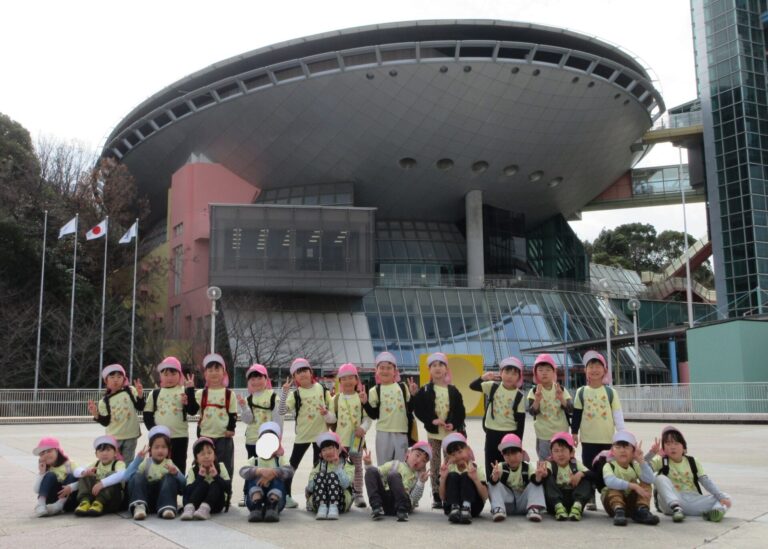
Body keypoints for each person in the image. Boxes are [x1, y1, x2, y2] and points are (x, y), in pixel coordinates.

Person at [410, 352, 466, 509]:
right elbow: (419, 410)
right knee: (434, 464)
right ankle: (436, 495)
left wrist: (453, 424)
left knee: (450, 463)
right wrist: (432, 420)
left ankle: (448, 492)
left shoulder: (453, 390)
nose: (437, 368)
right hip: (434, 434)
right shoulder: (426, 389)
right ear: (429, 370)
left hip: (450, 435)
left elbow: (461, 411)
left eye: (441, 365)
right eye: (434, 365)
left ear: (446, 369)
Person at [571, 350, 623, 510]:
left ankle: (607, 495)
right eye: (590, 366)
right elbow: (577, 415)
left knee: (604, 469)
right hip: (588, 440)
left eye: (598, 366)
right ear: (585, 371)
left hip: (607, 440)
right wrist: (574, 433)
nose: (594, 370)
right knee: (587, 469)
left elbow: (617, 416)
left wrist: (622, 436)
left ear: (605, 370)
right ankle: (590, 497)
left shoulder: (610, 392)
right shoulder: (581, 392)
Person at [278, 357, 334, 508]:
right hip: (302, 435)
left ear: (311, 372)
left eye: (305, 370)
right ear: (294, 377)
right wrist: (284, 392)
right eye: (298, 372)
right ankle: (287, 495)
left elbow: (332, 407)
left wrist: (327, 412)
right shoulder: (295, 394)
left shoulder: (322, 389)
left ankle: (316, 495)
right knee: (292, 466)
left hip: (320, 436)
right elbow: (282, 410)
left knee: (318, 467)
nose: (302, 374)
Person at [645, 425, 732, 523]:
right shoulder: (661, 460)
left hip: (692, 500)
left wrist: (721, 498)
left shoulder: (693, 461)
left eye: (676, 443)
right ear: (663, 449)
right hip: (670, 503)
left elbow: (705, 481)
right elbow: (642, 471)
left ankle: (715, 512)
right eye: (668, 444)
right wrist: (651, 453)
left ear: (684, 447)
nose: (672, 447)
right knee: (659, 478)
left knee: (725, 497)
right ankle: (676, 509)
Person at [469, 356, 526, 477]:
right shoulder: (492, 387)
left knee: (508, 464)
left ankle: (507, 491)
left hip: (510, 434)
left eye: (514, 374)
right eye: (507, 372)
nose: (510, 376)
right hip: (492, 433)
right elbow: (472, 386)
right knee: (491, 463)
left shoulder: (519, 396)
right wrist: (483, 378)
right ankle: (492, 489)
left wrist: (518, 444)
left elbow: (521, 423)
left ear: (519, 377)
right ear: (500, 373)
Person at [323, 362, 370, 507]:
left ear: (356, 380)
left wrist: (363, 428)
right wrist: (326, 414)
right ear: (340, 382)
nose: (348, 381)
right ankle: (341, 491)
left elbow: (368, 418)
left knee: (357, 468)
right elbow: (333, 418)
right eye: (344, 378)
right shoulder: (336, 399)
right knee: (339, 466)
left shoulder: (361, 397)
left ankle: (358, 494)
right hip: (340, 441)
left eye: (351, 378)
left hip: (357, 440)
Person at [143, 356, 198, 473]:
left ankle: (178, 489)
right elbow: (147, 414)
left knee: (178, 466)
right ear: (160, 376)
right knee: (157, 467)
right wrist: (155, 431)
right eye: (166, 374)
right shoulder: (155, 393)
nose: (169, 378)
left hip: (180, 436)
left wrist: (190, 392)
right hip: (159, 438)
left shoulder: (184, 390)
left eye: (173, 374)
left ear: (179, 375)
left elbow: (192, 410)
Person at [363, 352, 415, 465]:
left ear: (395, 371)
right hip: (383, 433)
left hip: (401, 432)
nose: (385, 371)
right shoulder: (374, 391)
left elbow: (410, 409)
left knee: (401, 466)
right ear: (376, 371)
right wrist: (365, 403)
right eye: (381, 368)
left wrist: (413, 394)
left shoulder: (403, 387)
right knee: (383, 466)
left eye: (389, 368)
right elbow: (374, 415)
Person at [124, 426, 186, 520]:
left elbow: (184, 486)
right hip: (146, 500)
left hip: (163, 500)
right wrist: (137, 460)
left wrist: (176, 474)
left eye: (163, 447)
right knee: (137, 475)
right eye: (156, 447)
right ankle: (139, 507)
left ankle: (167, 508)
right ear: (150, 450)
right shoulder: (146, 463)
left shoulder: (170, 464)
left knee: (169, 478)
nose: (160, 450)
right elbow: (127, 477)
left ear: (168, 449)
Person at [88, 363, 144, 464]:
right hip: (114, 437)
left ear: (124, 379)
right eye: (112, 377)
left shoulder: (131, 391)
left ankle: (125, 480)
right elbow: (105, 422)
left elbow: (140, 407)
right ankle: (115, 479)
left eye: (119, 377)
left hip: (130, 435)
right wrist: (95, 414)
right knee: (114, 462)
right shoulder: (104, 401)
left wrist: (140, 395)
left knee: (127, 462)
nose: (116, 380)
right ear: (106, 381)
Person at [600, 431, 659, 526]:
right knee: (614, 487)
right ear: (612, 452)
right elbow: (610, 481)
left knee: (645, 483)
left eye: (627, 447)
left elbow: (650, 479)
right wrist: (633, 486)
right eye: (618, 447)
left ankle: (642, 510)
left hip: (630, 503)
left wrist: (641, 461)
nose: (622, 450)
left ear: (633, 452)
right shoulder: (609, 465)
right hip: (612, 506)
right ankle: (619, 512)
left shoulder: (634, 465)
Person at [239, 422, 295, 523]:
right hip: (253, 501)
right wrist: (259, 471)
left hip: (277, 502)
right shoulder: (254, 460)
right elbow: (242, 471)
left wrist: (273, 472)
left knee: (279, 474)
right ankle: (257, 505)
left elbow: (290, 470)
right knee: (252, 474)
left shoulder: (280, 460)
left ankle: (272, 504)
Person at [195, 353, 237, 483]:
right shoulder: (201, 393)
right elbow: (191, 409)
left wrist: (231, 428)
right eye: (210, 370)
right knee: (203, 465)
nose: (214, 373)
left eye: (217, 369)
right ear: (205, 374)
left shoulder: (229, 394)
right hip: (205, 436)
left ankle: (225, 494)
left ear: (223, 373)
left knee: (224, 467)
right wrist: (189, 393)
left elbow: (232, 414)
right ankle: (203, 492)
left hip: (223, 437)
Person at [364, 441, 430, 522]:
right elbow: (376, 475)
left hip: (402, 505)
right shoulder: (396, 464)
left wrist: (421, 482)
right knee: (371, 470)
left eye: (423, 461)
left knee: (393, 475)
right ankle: (376, 507)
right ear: (408, 453)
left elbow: (414, 498)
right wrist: (368, 464)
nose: (418, 460)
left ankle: (402, 512)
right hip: (386, 501)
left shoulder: (418, 476)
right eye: (417, 455)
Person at [487, 434, 546, 523]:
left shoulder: (528, 467)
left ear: (522, 453)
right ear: (503, 456)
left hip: (525, 505)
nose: (511, 458)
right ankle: (498, 508)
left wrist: (538, 476)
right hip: (507, 505)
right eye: (507, 454)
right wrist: (494, 478)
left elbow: (536, 482)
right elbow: (493, 483)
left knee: (537, 483)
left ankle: (534, 508)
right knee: (492, 484)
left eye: (514, 453)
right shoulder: (500, 468)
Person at [527, 353, 573, 459]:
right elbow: (532, 412)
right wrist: (537, 400)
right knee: (545, 465)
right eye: (541, 370)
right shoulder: (534, 391)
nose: (544, 373)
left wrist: (561, 398)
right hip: (544, 436)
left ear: (553, 373)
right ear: (536, 373)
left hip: (561, 434)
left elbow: (570, 409)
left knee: (563, 462)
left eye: (548, 370)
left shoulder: (560, 389)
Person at [541, 431, 592, 521]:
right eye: (556, 451)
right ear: (551, 454)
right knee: (547, 479)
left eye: (563, 450)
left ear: (571, 452)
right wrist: (544, 473)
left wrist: (581, 474)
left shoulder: (575, 464)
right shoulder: (550, 464)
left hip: (573, 500)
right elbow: (546, 471)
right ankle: (559, 508)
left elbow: (592, 474)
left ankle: (577, 507)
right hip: (555, 502)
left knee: (586, 479)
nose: (560, 454)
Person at [439, 432, 488, 524]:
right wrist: (443, 478)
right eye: (453, 454)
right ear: (449, 457)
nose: (457, 456)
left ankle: (466, 507)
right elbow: (442, 496)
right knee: (453, 475)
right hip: (451, 508)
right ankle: (455, 507)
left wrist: (475, 479)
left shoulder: (476, 468)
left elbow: (485, 496)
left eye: (460, 452)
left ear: (468, 450)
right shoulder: (448, 469)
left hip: (474, 507)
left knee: (466, 475)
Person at [73, 435, 126, 517]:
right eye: (101, 451)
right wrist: (84, 472)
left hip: (112, 500)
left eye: (108, 450)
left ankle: (99, 502)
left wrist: (102, 483)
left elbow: (122, 474)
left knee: (112, 474)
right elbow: (76, 471)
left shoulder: (118, 464)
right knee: (85, 474)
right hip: (93, 503)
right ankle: (85, 502)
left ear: (115, 453)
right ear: (96, 454)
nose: (104, 453)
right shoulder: (96, 463)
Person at [306, 432, 355, 520]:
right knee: (321, 475)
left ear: (338, 449)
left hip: (340, 502)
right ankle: (322, 507)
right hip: (318, 502)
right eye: (324, 450)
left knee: (332, 476)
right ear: (321, 453)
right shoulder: (319, 465)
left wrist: (337, 467)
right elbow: (310, 488)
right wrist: (321, 477)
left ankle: (333, 507)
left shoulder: (347, 464)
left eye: (330, 448)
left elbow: (346, 484)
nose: (327, 452)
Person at [180, 437, 232, 520]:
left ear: (214, 455)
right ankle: (189, 509)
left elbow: (228, 488)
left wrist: (216, 476)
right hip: (196, 504)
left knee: (215, 484)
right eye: (202, 454)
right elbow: (188, 491)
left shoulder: (220, 467)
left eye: (209, 453)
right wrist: (199, 477)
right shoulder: (193, 470)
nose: (206, 456)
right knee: (203, 484)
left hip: (215, 505)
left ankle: (205, 509)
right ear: (196, 459)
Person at [32, 437, 78, 517]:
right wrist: (42, 473)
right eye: (42, 453)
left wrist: (71, 487)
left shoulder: (69, 464)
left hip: (69, 500)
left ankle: (59, 505)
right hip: (52, 500)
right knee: (50, 475)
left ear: (57, 451)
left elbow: (83, 481)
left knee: (71, 475)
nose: (46, 455)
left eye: (49, 451)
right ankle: (41, 504)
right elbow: (36, 490)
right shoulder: (47, 469)